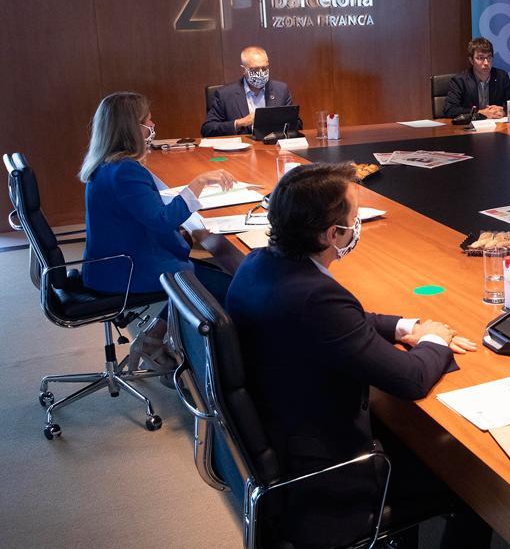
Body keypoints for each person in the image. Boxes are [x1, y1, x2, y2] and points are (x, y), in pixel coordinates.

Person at [224, 162, 488, 547]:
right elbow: (410, 380)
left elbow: (345, 320)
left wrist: (407, 326)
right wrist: (435, 339)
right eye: (355, 218)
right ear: (334, 234)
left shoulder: (260, 265)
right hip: (329, 478)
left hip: (284, 439)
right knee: (471, 481)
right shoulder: (317, 298)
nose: (357, 225)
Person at [80, 92, 236, 373]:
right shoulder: (126, 171)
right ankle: (209, 373)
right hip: (129, 271)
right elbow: (162, 220)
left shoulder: (106, 166)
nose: (153, 124)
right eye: (147, 120)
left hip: (110, 265)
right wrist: (198, 183)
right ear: (132, 127)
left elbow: (145, 214)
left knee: (209, 274)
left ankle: (154, 336)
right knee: (233, 290)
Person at [201, 46, 293, 137]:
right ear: (243, 70)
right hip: (241, 149)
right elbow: (207, 129)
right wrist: (239, 123)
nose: (261, 73)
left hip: (273, 148)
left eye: (264, 68)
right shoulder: (225, 95)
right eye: (255, 69)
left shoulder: (281, 90)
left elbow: (297, 124)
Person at [443, 37, 510, 120]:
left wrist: (504, 111)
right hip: (470, 129)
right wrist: (479, 112)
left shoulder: (501, 77)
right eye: (480, 58)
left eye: (489, 57)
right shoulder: (460, 80)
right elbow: (449, 110)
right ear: (471, 60)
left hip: (497, 128)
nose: (486, 63)